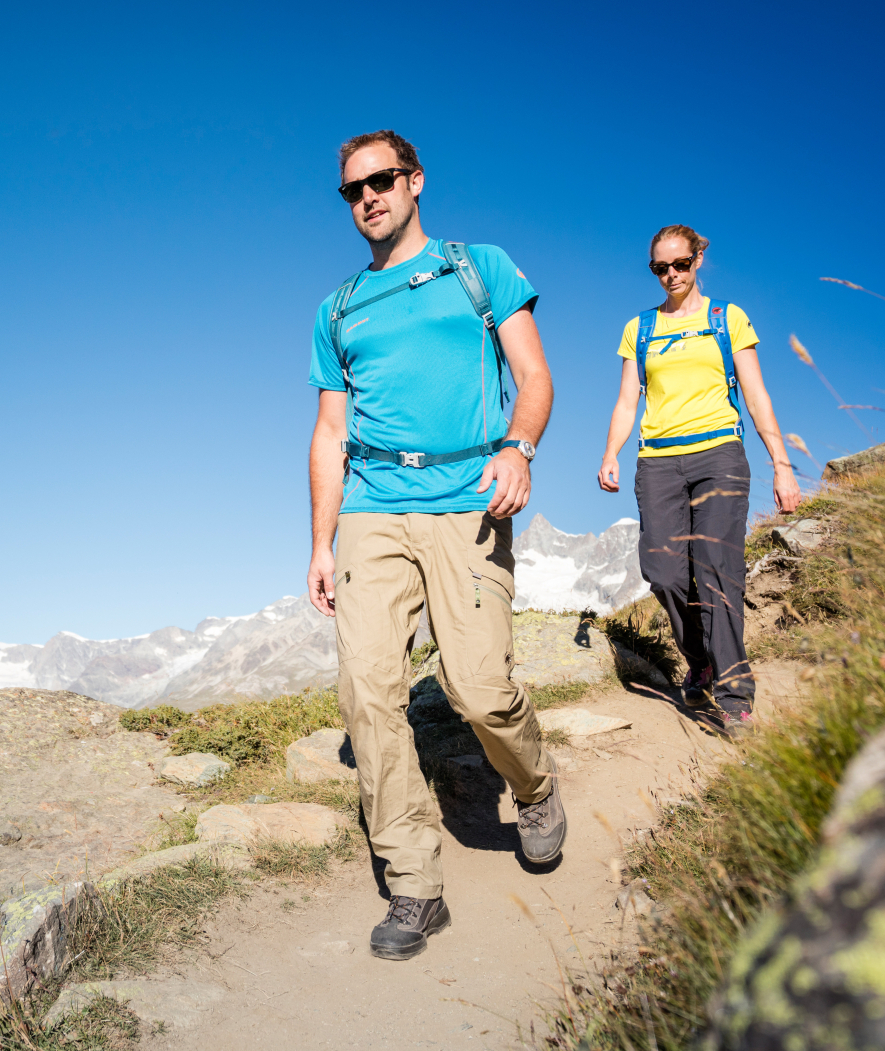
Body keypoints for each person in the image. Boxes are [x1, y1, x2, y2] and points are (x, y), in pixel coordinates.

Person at [306, 130, 564, 962]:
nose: (368, 198)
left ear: (414, 181)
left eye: (381, 180)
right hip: (373, 508)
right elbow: (330, 431)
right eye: (352, 189)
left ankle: (534, 784)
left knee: (478, 689)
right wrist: (321, 541)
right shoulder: (338, 309)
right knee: (367, 691)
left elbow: (534, 375)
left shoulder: (478, 267)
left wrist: (518, 449)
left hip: (468, 498)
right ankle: (414, 881)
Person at [596, 225, 800, 736]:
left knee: (717, 571)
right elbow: (627, 400)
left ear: (698, 260)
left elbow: (756, 394)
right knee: (663, 572)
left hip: (720, 456)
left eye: (680, 265)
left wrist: (781, 464)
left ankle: (734, 697)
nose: (671, 275)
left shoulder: (726, 318)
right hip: (658, 462)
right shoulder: (640, 328)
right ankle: (701, 660)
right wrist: (611, 452)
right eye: (660, 268)